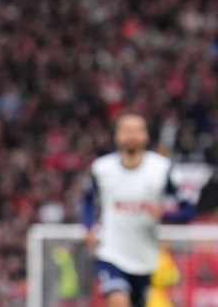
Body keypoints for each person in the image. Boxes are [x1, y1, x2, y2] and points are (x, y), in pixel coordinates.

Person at [81, 112, 195, 307]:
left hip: (145, 258)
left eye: (137, 130)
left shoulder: (162, 169)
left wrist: (165, 213)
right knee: (118, 300)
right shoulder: (101, 168)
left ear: (146, 136)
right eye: (126, 130)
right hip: (110, 252)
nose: (131, 135)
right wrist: (89, 227)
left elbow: (189, 208)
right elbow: (87, 201)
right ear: (116, 136)